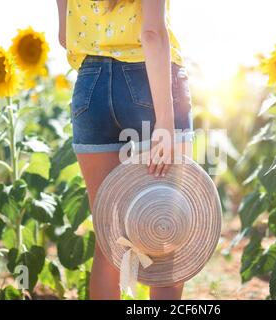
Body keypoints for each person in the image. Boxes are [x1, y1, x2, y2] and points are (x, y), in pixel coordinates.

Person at [56, 0, 194, 300]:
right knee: (167, 228)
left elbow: (65, 37)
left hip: (90, 86)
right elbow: (152, 33)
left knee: (110, 238)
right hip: (150, 81)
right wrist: (165, 122)